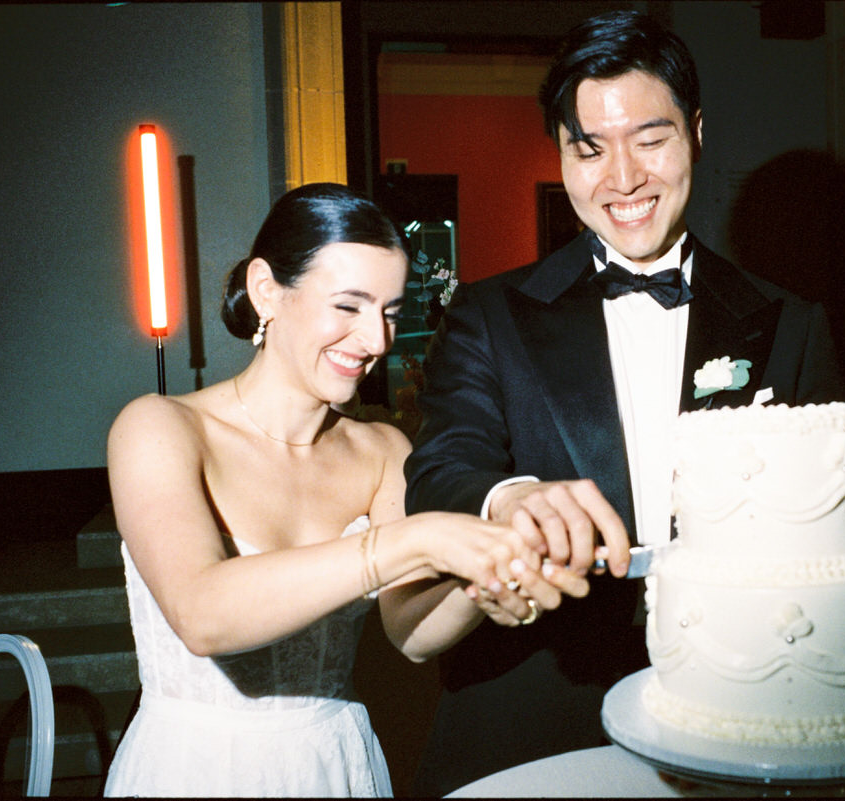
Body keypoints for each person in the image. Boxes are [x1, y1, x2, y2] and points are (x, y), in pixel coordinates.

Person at [405, 10, 845, 795]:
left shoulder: (790, 323)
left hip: (738, 713)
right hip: (535, 713)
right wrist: (512, 500)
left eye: (650, 139)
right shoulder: (487, 315)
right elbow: (443, 466)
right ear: (563, 155)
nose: (623, 178)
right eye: (590, 147)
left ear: (696, 134)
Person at [103, 183, 577, 798]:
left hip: (333, 764)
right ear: (266, 289)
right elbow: (203, 614)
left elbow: (410, 634)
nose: (377, 342)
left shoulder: (383, 452)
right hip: (194, 766)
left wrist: (485, 573)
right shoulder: (159, 428)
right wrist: (417, 538)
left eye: (389, 312)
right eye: (349, 307)